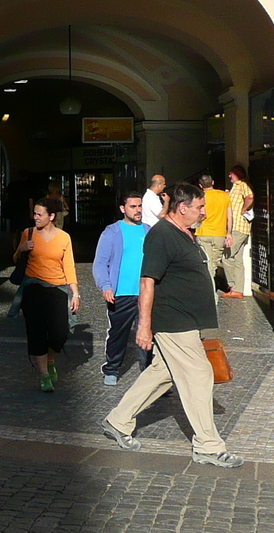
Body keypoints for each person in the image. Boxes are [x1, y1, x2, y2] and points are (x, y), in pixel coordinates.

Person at [100, 182, 243, 468]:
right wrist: (144, 325)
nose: (203, 212)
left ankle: (118, 420)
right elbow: (147, 281)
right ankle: (207, 446)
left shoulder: (186, 234)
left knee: (161, 373)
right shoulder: (161, 235)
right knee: (199, 373)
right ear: (182, 208)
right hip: (173, 320)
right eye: (199, 207)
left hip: (189, 320)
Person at [13, 196, 78, 393]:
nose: (35, 218)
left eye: (39, 214)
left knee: (60, 333)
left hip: (57, 289)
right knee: (36, 332)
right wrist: (22, 248)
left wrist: (75, 293)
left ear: (51, 216)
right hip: (33, 289)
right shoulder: (28, 233)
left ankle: (50, 360)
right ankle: (44, 375)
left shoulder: (63, 237)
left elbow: (69, 266)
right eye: (34, 214)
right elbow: (16, 259)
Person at [93, 190, 152, 386]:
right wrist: (106, 286)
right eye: (133, 206)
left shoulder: (148, 231)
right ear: (122, 209)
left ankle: (152, 377)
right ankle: (111, 369)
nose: (137, 210)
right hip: (121, 295)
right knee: (118, 334)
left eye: (140, 206)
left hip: (145, 294)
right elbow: (100, 262)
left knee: (148, 334)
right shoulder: (112, 232)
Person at [220, 166, 255, 299]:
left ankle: (232, 285)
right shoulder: (236, 187)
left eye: (231, 174)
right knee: (238, 259)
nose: (229, 176)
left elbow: (250, 197)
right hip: (241, 227)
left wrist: (243, 209)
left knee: (227, 256)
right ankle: (238, 290)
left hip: (238, 227)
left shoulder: (242, 185)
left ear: (236, 174)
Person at [195, 174, 231, 299]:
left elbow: (200, 214)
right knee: (213, 265)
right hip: (219, 234)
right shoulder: (224, 196)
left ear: (200, 185)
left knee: (207, 264)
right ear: (213, 182)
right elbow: (229, 216)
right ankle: (210, 292)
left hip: (203, 232)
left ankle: (209, 293)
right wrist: (229, 233)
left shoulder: (200, 197)